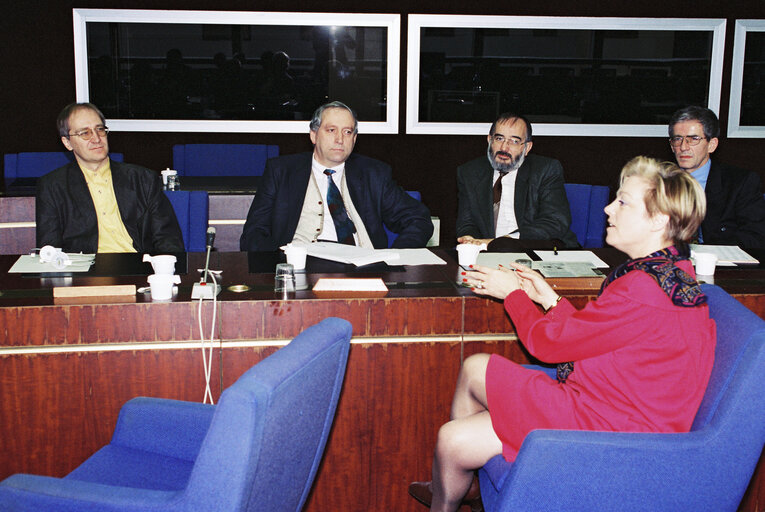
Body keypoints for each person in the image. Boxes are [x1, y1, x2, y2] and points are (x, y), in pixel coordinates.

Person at [409, 156, 716, 512]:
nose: (607, 208)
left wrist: (514, 295)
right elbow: (597, 335)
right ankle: (466, 484)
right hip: (612, 400)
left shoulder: (643, 290)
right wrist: (549, 298)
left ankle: (451, 489)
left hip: (616, 428)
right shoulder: (669, 270)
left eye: (622, 202)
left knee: (452, 440)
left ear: (659, 220)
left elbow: (549, 346)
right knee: (476, 366)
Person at [240, 101, 433, 251]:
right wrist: (278, 266)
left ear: (354, 139)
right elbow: (254, 233)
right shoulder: (281, 171)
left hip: (362, 265)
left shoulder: (373, 174)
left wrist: (394, 258)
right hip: (301, 266)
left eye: (347, 132)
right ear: (314, 135)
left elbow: (419, 219)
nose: (340, 139)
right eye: (331, 130)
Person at [36, 102, 184, 253]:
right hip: (85, 269)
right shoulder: (53, 186)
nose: (96, 138)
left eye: (99, 129)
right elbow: (50, 248)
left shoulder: (143, 179)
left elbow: (168, 238)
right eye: (85, 133)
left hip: (137, 266)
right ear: (67, 143)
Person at [456, 113, 579, 248]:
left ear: (527, 147)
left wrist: (508, 240)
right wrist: (470, 239)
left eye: (514, 141)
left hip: (536, 249)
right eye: (499, 138)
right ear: (489, 140)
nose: (504, 148)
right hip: (486, 251)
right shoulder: (469, 172)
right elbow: (467, 223)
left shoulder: (545, 169)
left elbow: (555, 221)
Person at [668, 105, 765, 248]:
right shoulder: (658, 181)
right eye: (677, 139)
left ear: (711, 145)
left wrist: (708, 253)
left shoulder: (741, 183)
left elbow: (756, 236)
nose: (683, 147)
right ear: (671, 146)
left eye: (693, 138)